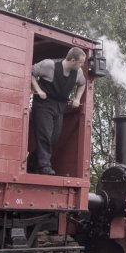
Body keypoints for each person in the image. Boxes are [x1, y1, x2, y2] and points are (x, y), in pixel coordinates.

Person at [28, 47, 87, 175]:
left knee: (54, 138)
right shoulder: (49, 65)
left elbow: (82, 83)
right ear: (72, 60)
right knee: (45, 135)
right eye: (81, 62)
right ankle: (44, 167)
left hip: (59, 107)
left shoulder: (78, 72)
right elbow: (30, 72)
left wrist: (77, 98)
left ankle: (32, 162)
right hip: (43, 104)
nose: (82, 65)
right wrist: (38, 90)